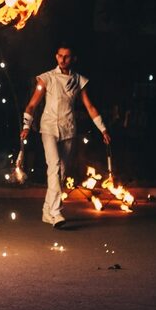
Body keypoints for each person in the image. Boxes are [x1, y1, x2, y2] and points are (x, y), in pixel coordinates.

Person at [21, 45, 111, 226]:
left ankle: (47, 210)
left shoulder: (78, 80)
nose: (63, 59)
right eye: (60, 56)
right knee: (54, 167)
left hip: (68, 129)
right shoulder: (47, 78)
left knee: (60, 173)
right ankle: (56, 212)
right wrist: (26, 126)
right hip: (48, 129)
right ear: (56, 57)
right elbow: (32, 105)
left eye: (67, 57)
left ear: (73, 59)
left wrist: (103, 129)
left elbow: (90, 106)